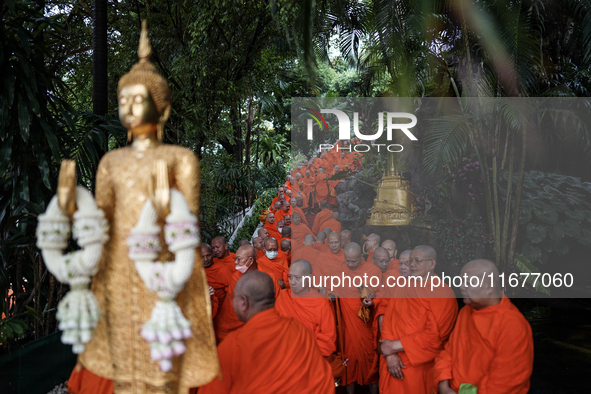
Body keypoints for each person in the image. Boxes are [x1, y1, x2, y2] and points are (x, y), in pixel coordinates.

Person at [67, 23, 219, 392]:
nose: (129, 108)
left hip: (162, 268)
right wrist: (77, 211)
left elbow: (188, 223)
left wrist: (164, 210)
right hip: (117, 268)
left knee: (163, 365)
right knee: (122, 363)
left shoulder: (180, 158)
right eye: (123, 101)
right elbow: (101, 220)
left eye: (139, 100)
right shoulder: (110, 162)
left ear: (162, 110)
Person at [200, 271, 334, 394]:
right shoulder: (299, 330)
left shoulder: (232, 346)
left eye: (232, 297)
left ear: (243, 303)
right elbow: (322, 379)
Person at [434, 260, 534, 394]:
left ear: (489, 286)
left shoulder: (512, 324)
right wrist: (443, 383)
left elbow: (505, 382)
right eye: (461, 282)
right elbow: (449, 352)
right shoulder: (465, 312)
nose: (462, 287)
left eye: (468, 283)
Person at [379, 245, 458, 394]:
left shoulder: (443, 293)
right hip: (391, 361)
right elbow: (389, 317)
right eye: (410, 261)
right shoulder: (402, 286)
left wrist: (393, 347)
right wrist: (389, 354)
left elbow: (434, 338)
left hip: (417, 364)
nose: (412, 265)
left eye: (418, 260)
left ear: (432, 264)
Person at [328, 242, 382, 394]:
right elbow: (330, 290)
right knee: (349, 361)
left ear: (362, 257)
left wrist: (371, 301)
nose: (351, 264)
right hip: (347, 325)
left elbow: (381, 296)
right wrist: (330, 295)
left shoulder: (373, 270)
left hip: (365, 324)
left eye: (354, 261)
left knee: (370, 359)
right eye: (348, 260)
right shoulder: (338, 270)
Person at [212, 245, 280, 343]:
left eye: (239, 259)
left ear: (250, 260)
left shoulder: (269, 277)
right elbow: (233, 304)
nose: (235, 262)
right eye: (235, 259)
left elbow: (277, 301)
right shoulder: (236, 276)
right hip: (235, 319)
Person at [275, 260, 337, 356]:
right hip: (284, 354)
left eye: (297, 278)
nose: (293, 282)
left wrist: (302, 347)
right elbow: (275, 328)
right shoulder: (283, 296)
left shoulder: (320, 302)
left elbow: (329, 338)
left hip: (309, 355)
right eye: (290, 277)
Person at [201, 243, 232, 311]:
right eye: (202, 257)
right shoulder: (194, 271)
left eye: (208, 255)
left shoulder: (222, 269)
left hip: (222, 308)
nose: (205, 259)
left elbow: (231, 291)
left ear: (212, 254)